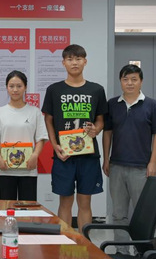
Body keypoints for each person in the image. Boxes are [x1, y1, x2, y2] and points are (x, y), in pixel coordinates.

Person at [42, 44, 107, 233]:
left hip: (88, 155)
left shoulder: (96, 90)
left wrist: (96, 130)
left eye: (78, 58)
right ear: (63, 62)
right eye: (70, 59)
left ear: (85, 61)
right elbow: (48, 120)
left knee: (85, 202)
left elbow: (101, 120)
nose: (74, 62)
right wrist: (54, 145)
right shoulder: (54, 90)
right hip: (64, 155)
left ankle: (84, 243)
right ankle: (65, 240)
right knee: (65, 201)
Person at [102, 64, 156, 254]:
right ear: (120, 81)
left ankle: (141, 252)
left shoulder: (151, 105)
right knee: (118, 214)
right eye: (125, 79)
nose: (129, 83)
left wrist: (153, 162)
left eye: (134, 79)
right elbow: (107, 133)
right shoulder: (112, 104)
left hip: (141, 168)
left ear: (141, 81)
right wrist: (106, 159)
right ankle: (122, 251)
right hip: (117, 166)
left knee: (141, 214)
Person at [0, 70, 47, 201]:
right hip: (5, 169)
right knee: (7, 207)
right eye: (11, 86)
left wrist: (35, 155)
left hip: (28, 169)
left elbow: (41, 138)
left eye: (19, 86)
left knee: (28, 207)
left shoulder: (35, 112)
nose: (15, 90)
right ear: (6, 88)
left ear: (25, 87)